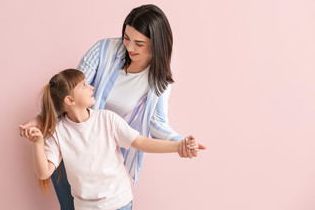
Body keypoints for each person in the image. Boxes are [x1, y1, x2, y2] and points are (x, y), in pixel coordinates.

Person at [20, 4, 203, 210]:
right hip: (72, 149)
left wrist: (181, 143)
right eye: (126, 38)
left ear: (156, 44)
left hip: (107, 154)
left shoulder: (113, 116)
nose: (130, 47)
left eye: (139, 43)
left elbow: (152, 128)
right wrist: (42, 118)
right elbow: (69, 91)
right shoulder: (103, 50)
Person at [20, 69, 205, 210]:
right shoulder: (58, 132)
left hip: (119, 202)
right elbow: (44, 172)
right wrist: (38, 143)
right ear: (69, 100)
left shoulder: (107, 119)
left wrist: (179, 145)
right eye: (84, 85)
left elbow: (141, 142)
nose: (91, 87)